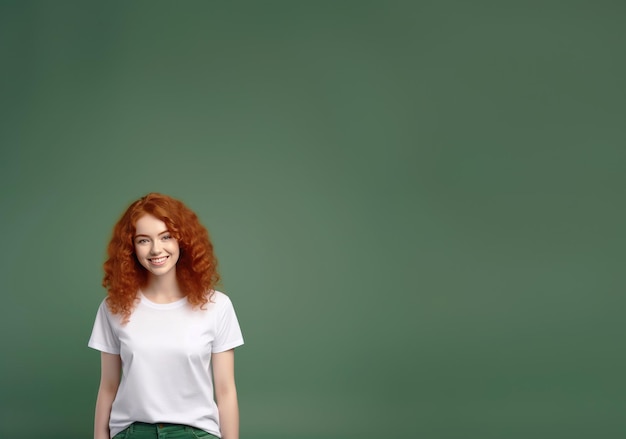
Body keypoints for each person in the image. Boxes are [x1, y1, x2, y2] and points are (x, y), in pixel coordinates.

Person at [88, 193, 244, 439]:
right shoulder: (113, 307)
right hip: (132, 432)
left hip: (195, 433)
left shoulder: (217, 306)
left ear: (183, 241)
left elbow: (226, 391)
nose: (156, 249)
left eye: (166, 237)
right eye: (143, 240)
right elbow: (108, 386)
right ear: (130, 247)